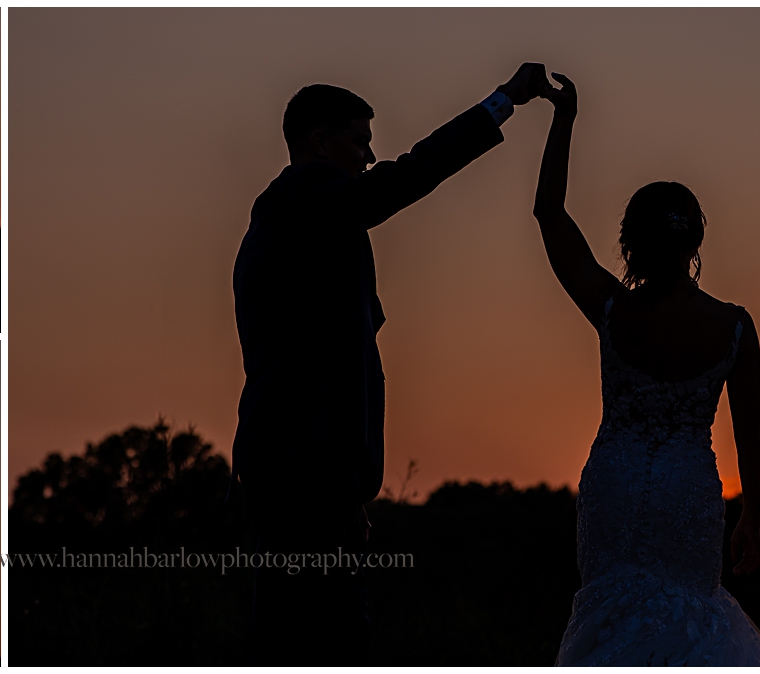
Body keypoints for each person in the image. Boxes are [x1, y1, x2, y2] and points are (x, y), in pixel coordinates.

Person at [231, 62, 547, 665]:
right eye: (359, 141)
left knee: (323, 631)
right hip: (303, 468)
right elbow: (404, 179)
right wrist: (502, 102)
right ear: (318, 143)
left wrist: (351, 487)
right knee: (312, 635)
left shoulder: (316, 224)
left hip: (320, 471)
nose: (370, 157)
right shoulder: (300, 200)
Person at [527, 72, 760, 665]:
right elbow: (752, 433)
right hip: (688, 493)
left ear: (629, 240)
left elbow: (548, 212)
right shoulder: (734, 325)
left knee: (611, 623)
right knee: (690, 624)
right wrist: (753, 515)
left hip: (614, 487)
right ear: (695, 241)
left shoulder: (613, 309)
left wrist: (563, 119)